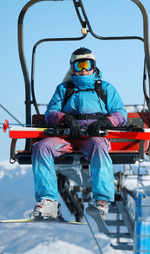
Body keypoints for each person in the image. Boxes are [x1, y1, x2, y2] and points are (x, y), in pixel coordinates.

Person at [30, 47, 127, 221]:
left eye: (86, 64)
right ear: (72, 67)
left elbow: (120, 113)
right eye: (79, 65)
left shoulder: (105, 89)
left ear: (94, 65)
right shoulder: (64, 89)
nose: (83, 69)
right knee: (41, 147)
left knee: (99, 148)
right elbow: (51, 112)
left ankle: (102, 201)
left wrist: (105, 122)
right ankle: (48, 201)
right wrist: (64, 119)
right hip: (67, 135)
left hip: (93, 136)